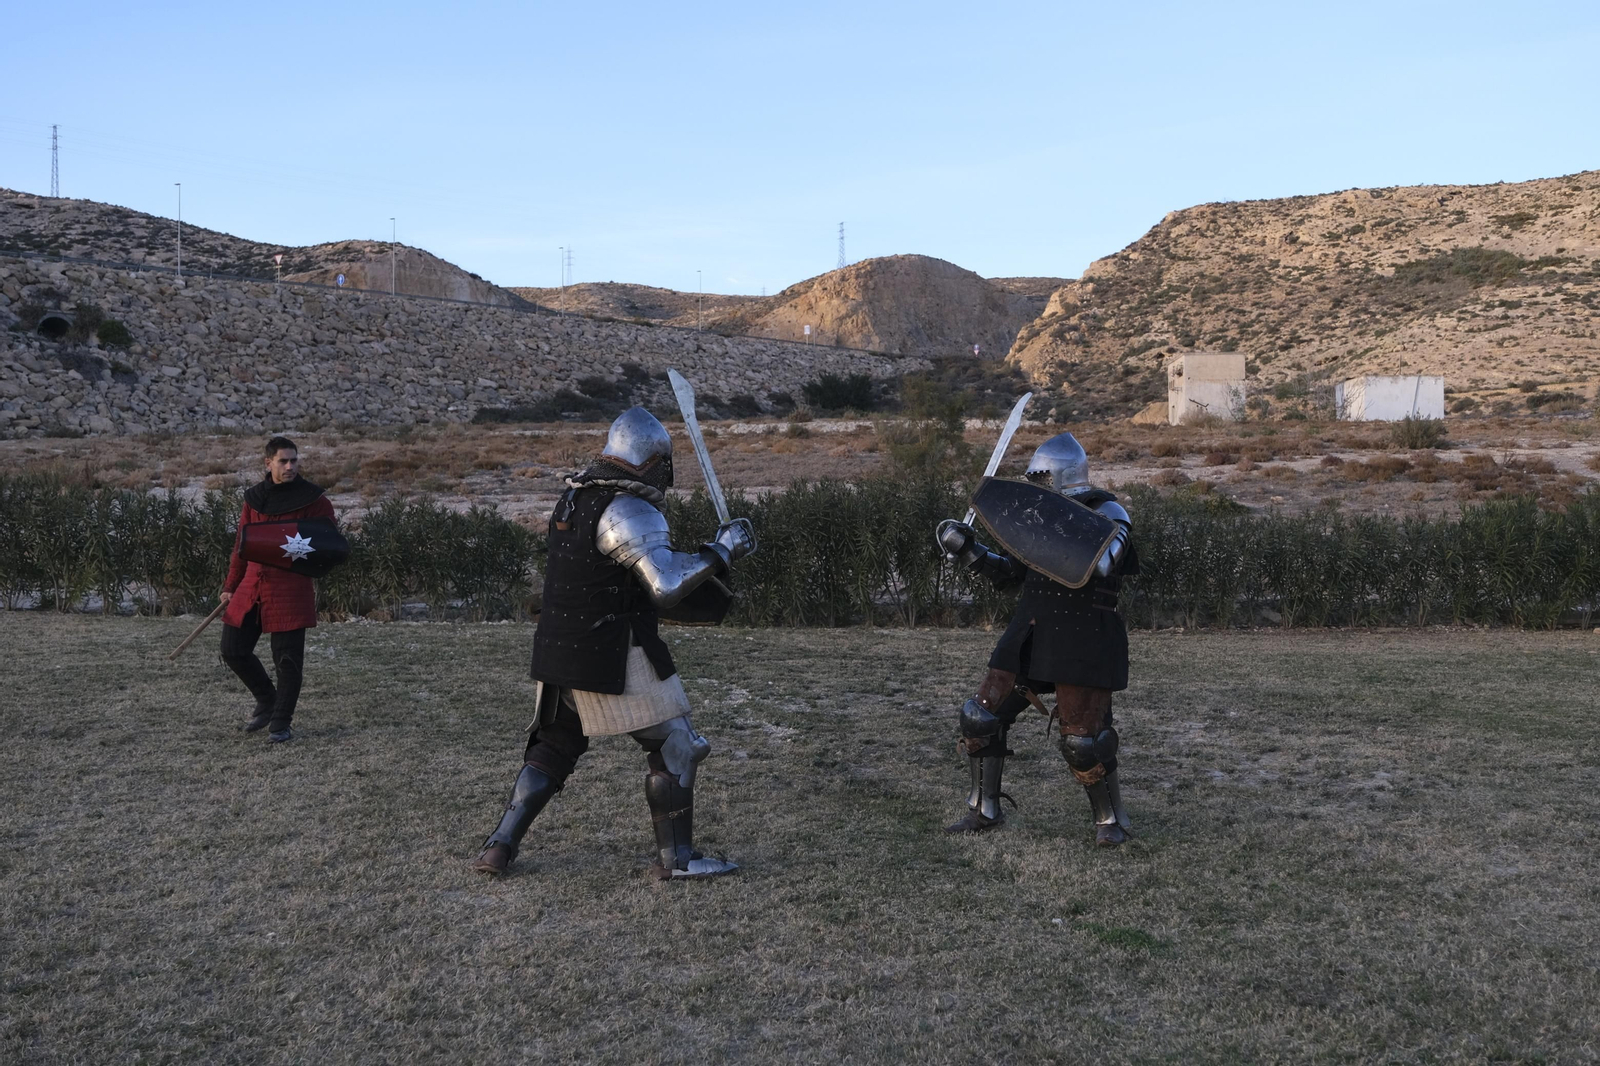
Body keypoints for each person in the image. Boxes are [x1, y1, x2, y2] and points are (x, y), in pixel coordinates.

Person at [472, 406, 756, 880]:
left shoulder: (575, 498)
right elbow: (663, 584)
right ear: (653, 463)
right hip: (609, 649)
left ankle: (498, 845)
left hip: (561, 646)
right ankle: (678, 862)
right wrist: (723, 550)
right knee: (679, 745)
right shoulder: (627, 508)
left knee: (554, 747)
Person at [936, 432, 1138, 847]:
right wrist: (967, 548)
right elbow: (1010, 574)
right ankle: (984, 810)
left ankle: (1109, 822)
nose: (1037, 486)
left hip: (1083, 633)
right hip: (1030, 628)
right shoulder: (1038, 516)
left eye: (1042, 478)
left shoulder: (1109, 510)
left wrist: (1060, 526)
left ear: (1062, 475)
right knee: (980, 717)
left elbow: (1102, 563)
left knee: (1084, 740)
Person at [219, 435, 337, 743]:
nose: (290, 466)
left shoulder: (315, 501)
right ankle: (267, 699)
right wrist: (231, 585)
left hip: (290, 587)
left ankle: (281, 722)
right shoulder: (254, 499)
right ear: (268, 463)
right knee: (233, 649)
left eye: (294, 460)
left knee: (287, 660)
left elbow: (328, 544)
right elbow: (241, 546)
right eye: (283, 461)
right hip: (252, 584)